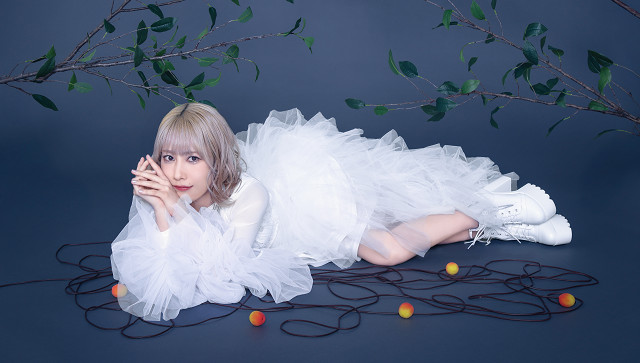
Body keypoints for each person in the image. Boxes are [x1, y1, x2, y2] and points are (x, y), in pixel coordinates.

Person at [111, 103, 571, 321]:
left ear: (215, 159)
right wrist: (166, 210)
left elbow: (226, 275)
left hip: (308, 198)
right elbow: (170, 270)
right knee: (403, 230)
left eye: (193, 158)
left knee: (387, 250)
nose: (177, 173)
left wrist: (173, 210)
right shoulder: (167, 193)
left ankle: (496, 207)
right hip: (296, 227)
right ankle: (506, 226)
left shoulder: (249, 192)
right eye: (168, 158)